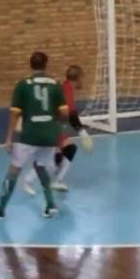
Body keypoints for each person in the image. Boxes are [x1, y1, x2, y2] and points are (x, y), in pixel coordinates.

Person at [0, 51, 69, 219]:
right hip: (49, 136)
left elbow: (14, 114)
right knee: (40, 167)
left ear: (30, 64)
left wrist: (9, 138)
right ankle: (50, 205)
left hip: (29, 136)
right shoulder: (55, 85)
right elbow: (64, 114)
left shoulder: (23, 85)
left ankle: (1, 208)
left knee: (13, 171)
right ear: (46, 64)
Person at [23, 65, 90, 195]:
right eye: (82, 78)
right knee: (51, 159)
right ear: (78, 78)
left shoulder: (64, 87)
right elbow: (71, 115)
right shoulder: (67, 90)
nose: (83, 81)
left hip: (52, 127)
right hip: (50, 127)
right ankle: (28, 180)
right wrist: (83, 133)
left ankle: (56, 180)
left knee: (67, 150)